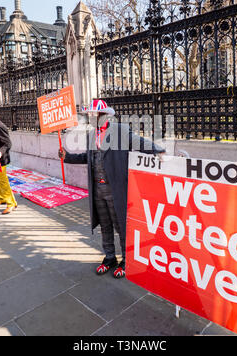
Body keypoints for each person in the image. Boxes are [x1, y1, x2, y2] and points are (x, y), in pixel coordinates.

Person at [59, 99, 165, 279]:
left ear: (106, 115)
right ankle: (109, 257)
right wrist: (68, 156)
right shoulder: (92, 135)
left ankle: (126, 259)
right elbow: (89, 157)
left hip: (114, 188)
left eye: (96, 114)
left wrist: (157, 150)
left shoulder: (120, 131)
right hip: (97, 190)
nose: (93, 118)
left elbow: (138, 141)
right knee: (105, 225)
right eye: (91, 115)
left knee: (120, 226)